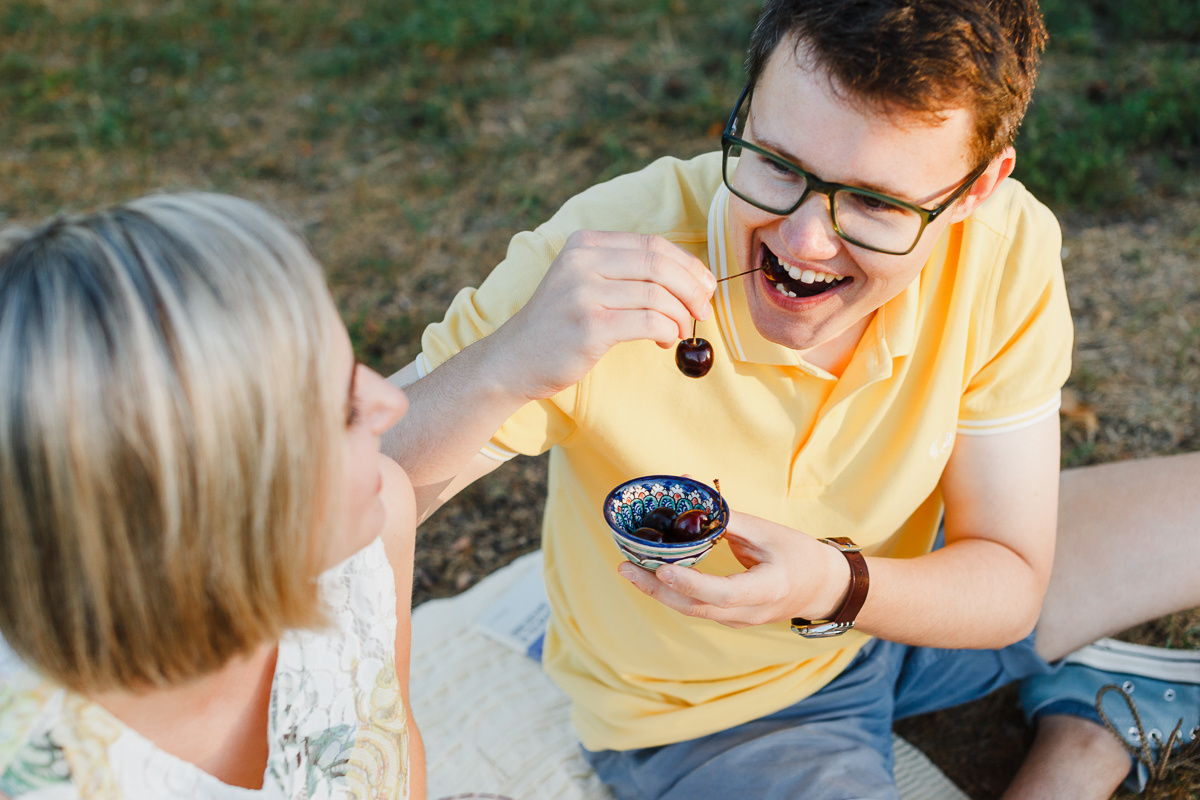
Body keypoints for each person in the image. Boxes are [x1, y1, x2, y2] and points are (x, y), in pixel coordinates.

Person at [382, 0, 1200, 797]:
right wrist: (508, 364)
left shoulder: (1005, 246)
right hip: (710, 714)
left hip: (905, 592)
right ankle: (1085, 745)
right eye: (776, 163)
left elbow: (1011, 580)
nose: (803, 242)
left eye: (877, 204)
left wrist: (831, 587)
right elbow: (328, 502)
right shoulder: (604, 256)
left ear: (979, 190)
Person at [0, 193, 426, 799]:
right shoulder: (32, 768)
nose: (392, 401)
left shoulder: (368, 543)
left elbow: (393, 748)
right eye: (341, 407)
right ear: (218, 507)